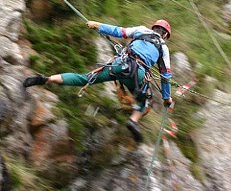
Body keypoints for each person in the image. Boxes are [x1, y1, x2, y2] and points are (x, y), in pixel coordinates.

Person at [23, 19, 173, 143]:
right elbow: (165, 76)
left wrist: (98, 25)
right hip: (138, 74)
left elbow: (119, 31)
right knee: (145, 102)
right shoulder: (164, 49)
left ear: (154, 27)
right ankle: (133, 121)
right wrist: (167, 98)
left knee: (84, 79)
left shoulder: (141, 30)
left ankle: (47, 79)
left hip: (119, 65)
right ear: (165, 34)